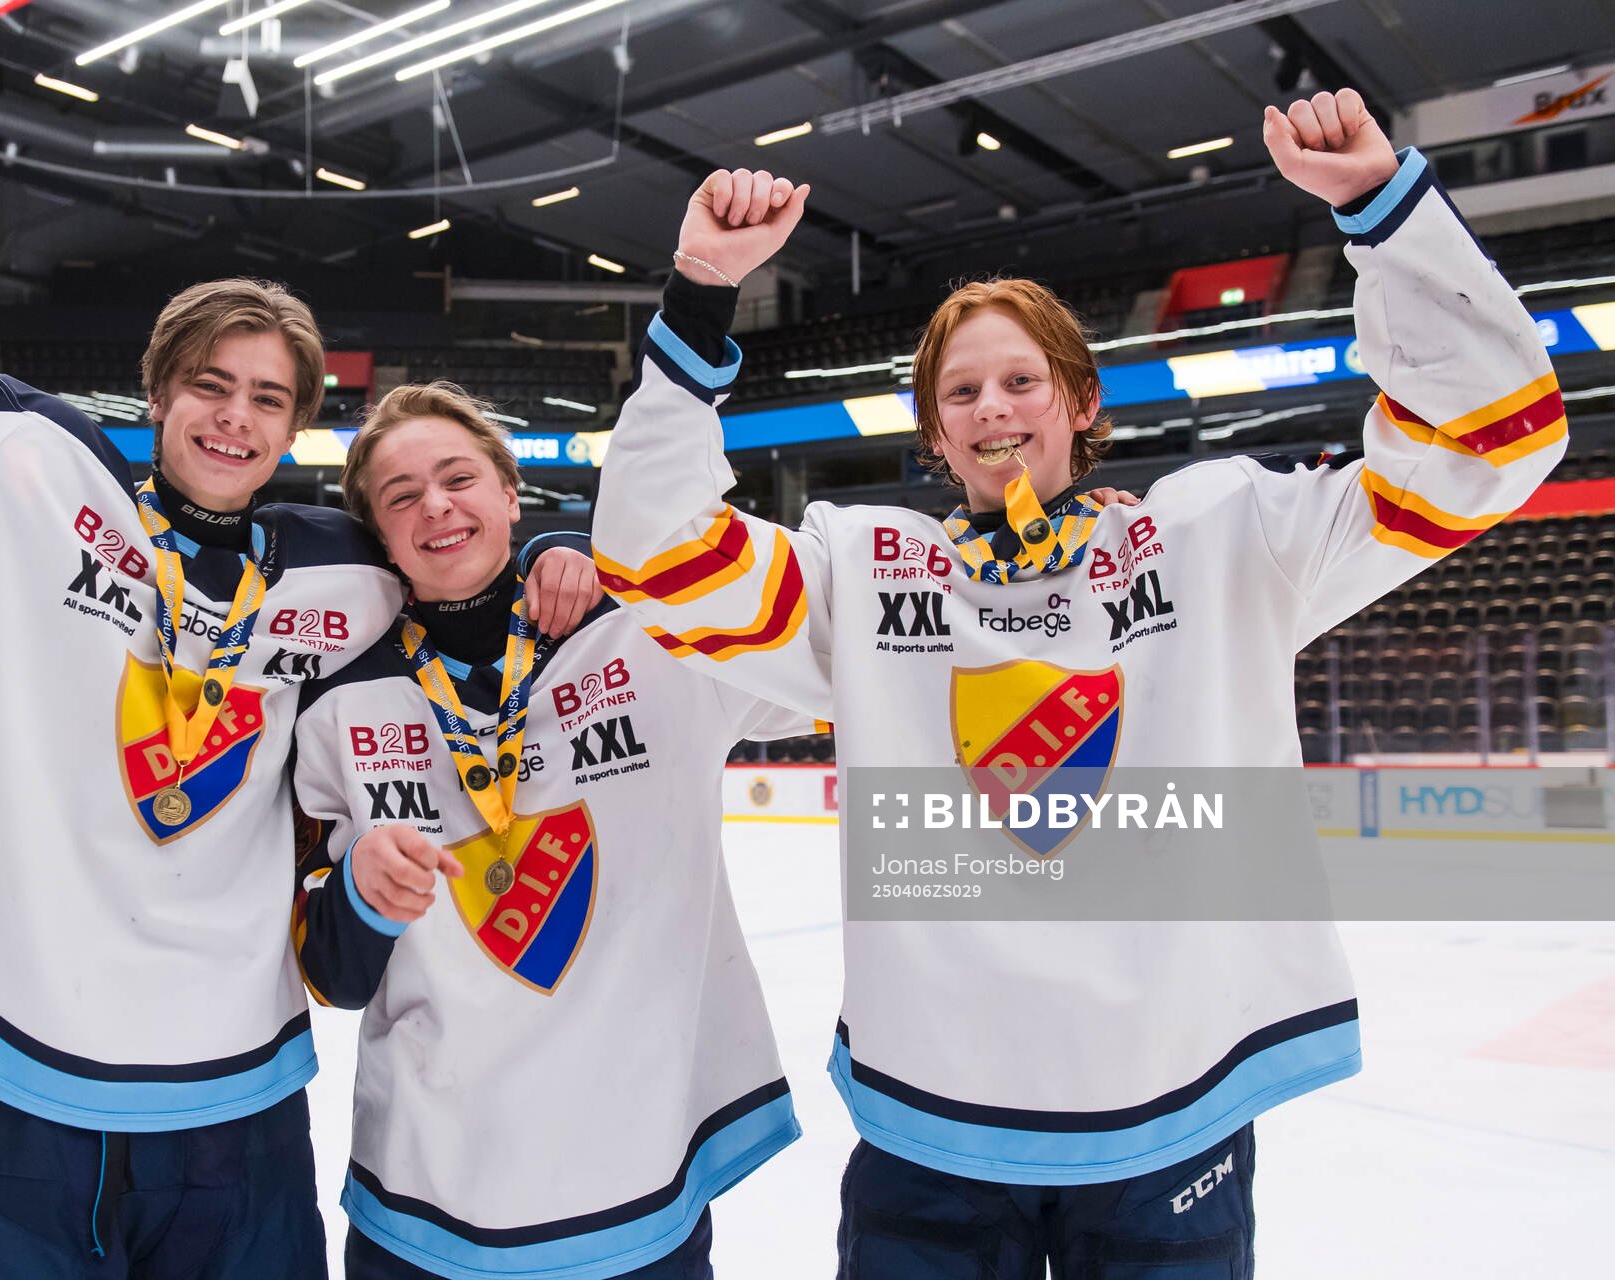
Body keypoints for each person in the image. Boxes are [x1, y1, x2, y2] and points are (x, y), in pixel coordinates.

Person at [591, 90, 1565, 1277]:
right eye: (960, 394)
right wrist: (699, 295)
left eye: (1020, 382)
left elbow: (1494, 444)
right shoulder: (863, 568)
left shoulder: (1219, 535)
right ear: (933, 440)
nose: (992, 408)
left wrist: (1379, 207)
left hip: (1172, 1111)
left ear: (1083, 403)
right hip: (932, 1118)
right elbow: (649, 550)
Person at [0, 2, 594, 1274]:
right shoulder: (18, 470)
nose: (235, 419)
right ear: (158, 390)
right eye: (210, 385)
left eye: (268, 399)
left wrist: (568, 540)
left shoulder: (338, 569)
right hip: (12, 1067)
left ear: (293, 426)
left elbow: (460, 538)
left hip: (230, 1095)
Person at [288, 381, 808, 1279]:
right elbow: (332, 974)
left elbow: (856, 631)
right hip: (429, 1193)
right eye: (402, 496)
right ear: (377, 534)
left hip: (639, 1176)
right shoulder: (333, 701)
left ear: (511, 495)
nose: (437, 506)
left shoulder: (649, 631)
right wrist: (364, 897)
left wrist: (1059, 539)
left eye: (458, 478)